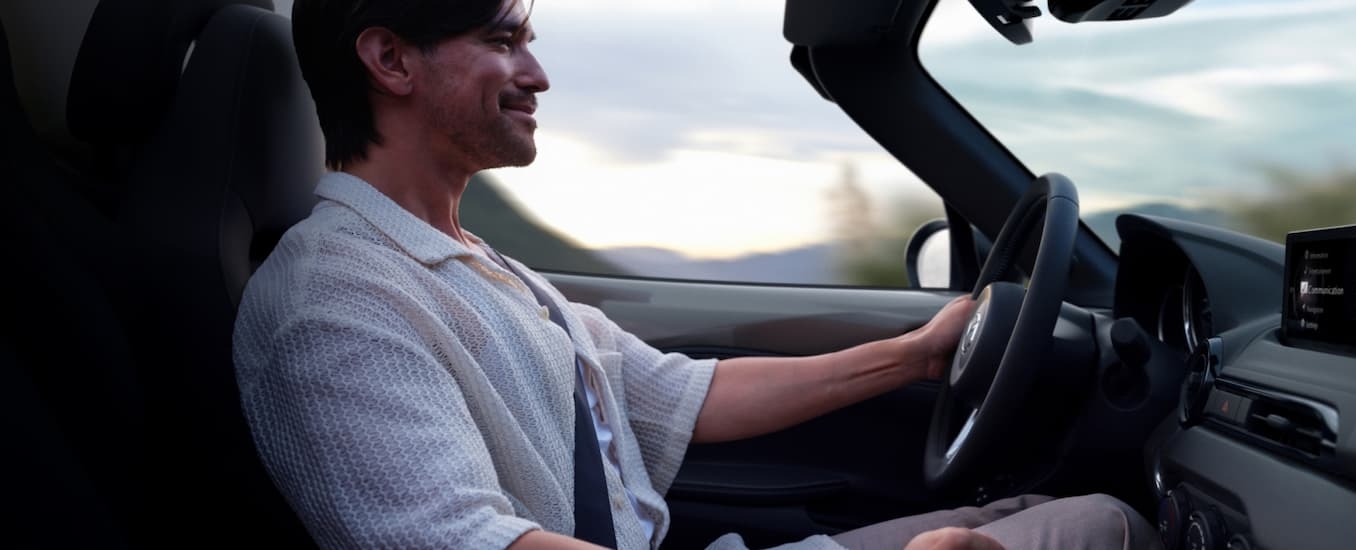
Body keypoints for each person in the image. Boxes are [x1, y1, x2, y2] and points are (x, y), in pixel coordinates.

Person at [232, 0, 1162, 548]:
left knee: (1046, 512)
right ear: (390, 59)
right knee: (1102, 532)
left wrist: (917, 356)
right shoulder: (334, 305)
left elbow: (677, 394)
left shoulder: (472, 265)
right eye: (504, 39)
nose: (539, 72)